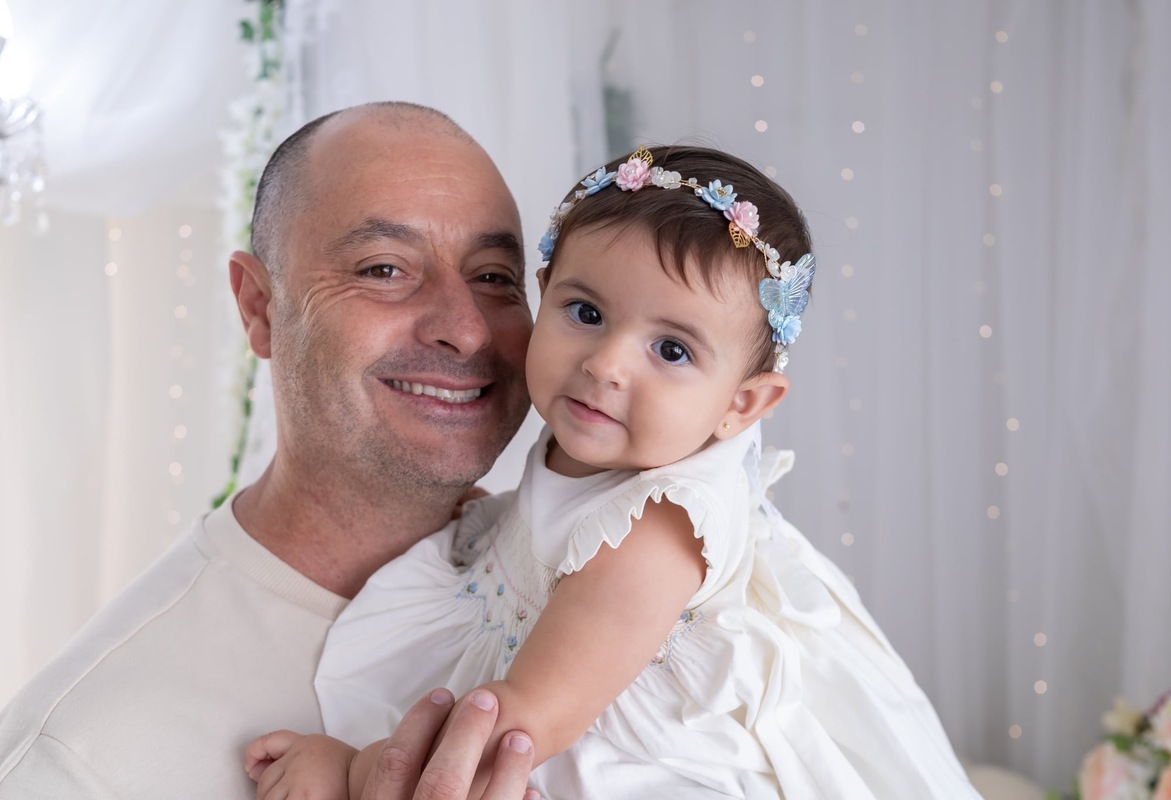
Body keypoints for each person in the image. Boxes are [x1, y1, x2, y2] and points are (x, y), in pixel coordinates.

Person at [245, 146, 984, 799]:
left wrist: (352, 769)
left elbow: (523, 725)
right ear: (543, 294)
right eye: (587, 313)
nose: (607, 365)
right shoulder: (600, 465)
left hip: (634, 754)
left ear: (742, 404)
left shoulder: (657, 526)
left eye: (671, 351)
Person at [0, 102, 540, 799]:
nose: (465, 329)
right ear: (260, 307)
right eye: (383, 269)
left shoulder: (603, 587)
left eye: (494, 276)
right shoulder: (82, 756)